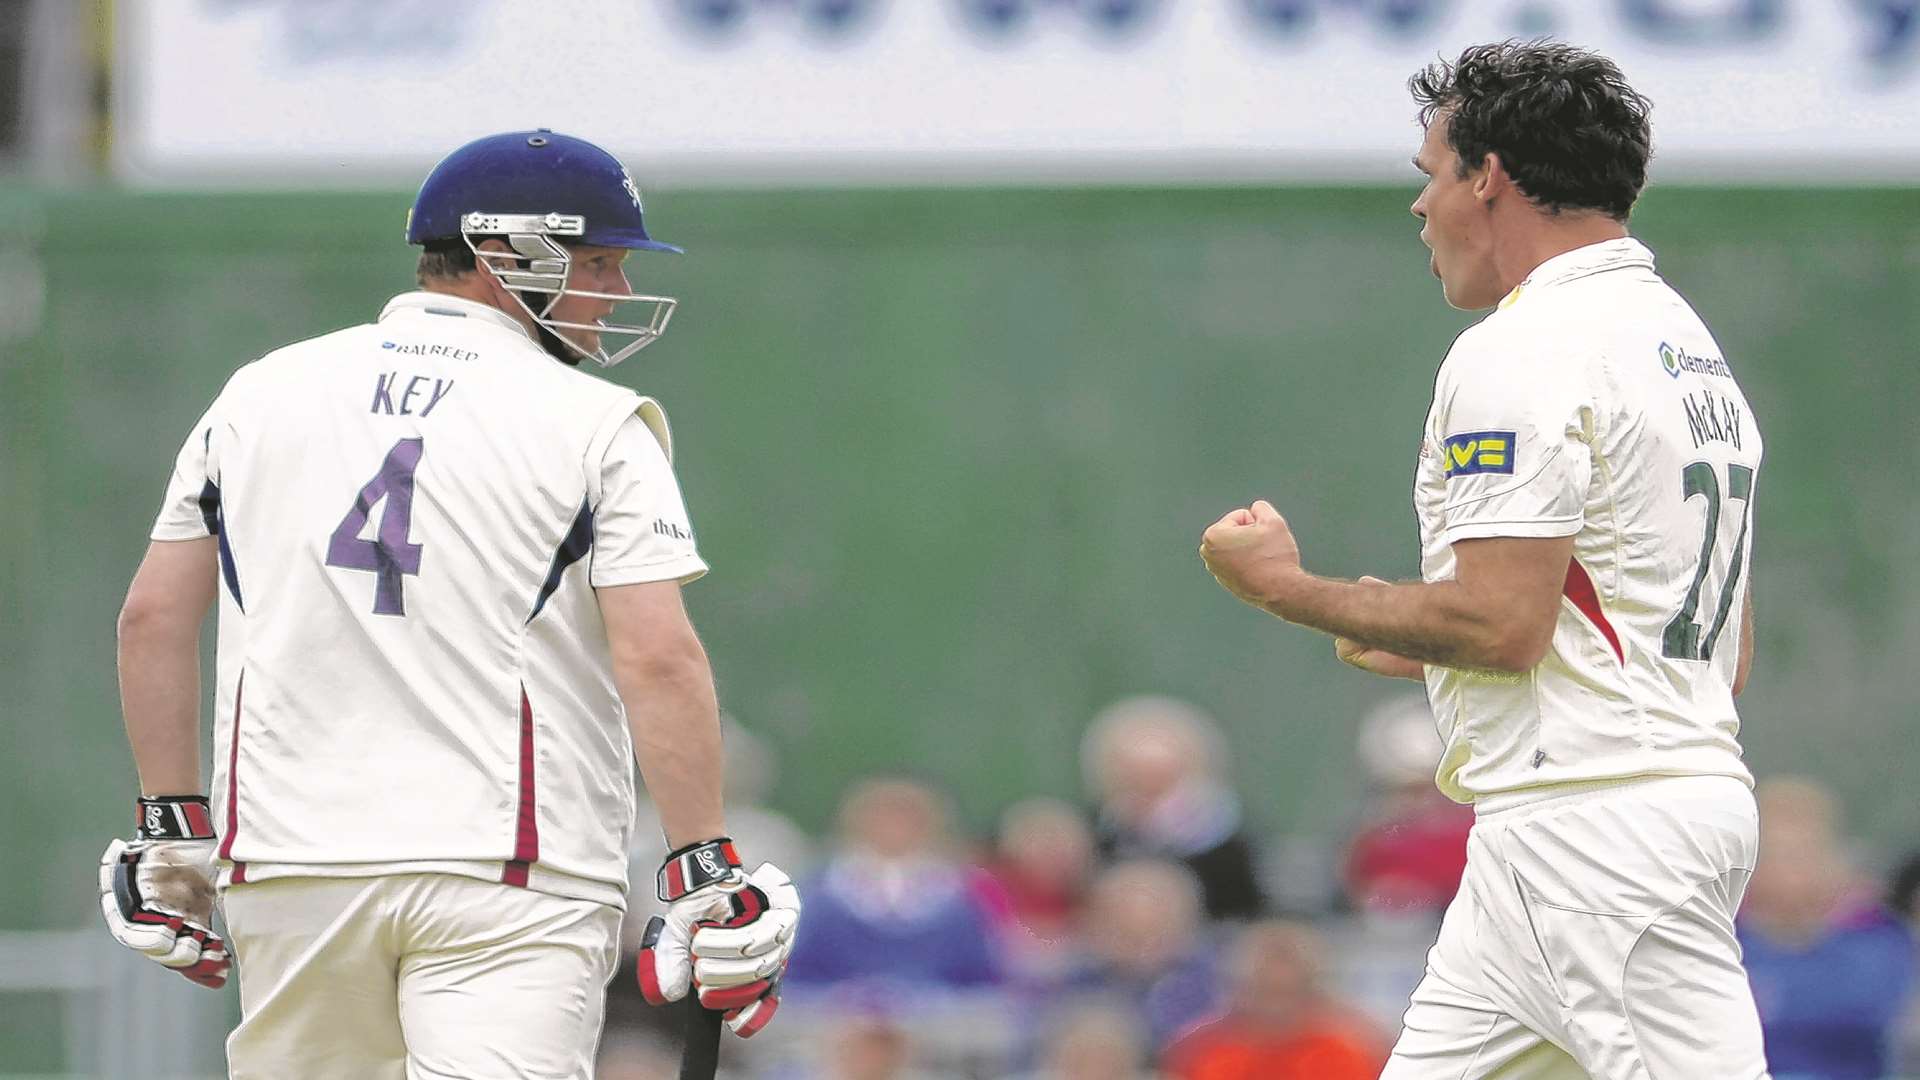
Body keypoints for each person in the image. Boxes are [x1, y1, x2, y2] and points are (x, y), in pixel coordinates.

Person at [96, 129, 801, 1078]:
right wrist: (702, 864)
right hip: (511, 868)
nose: (619, 291)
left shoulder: (255, 394)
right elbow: (659, 658)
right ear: (507, 252)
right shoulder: (594, 421)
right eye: (599, 261)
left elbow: (151, 619)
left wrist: (172, 823)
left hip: (292, 864)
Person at [1199, 41, 1770, 1078]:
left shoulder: (1528, 344)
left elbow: (1504, 626)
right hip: (1582, 821)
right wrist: (1424, 637)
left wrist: (1286, 590)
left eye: (1430, 175)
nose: (1421, 208)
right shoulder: (1681, 345)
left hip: (1596, 834)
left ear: (1490, 175)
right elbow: (1697, 648)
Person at [1738, 777, 1914, 1080]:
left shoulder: (1882, 941)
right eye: (1777, 854)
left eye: (1803, 852)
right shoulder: (1722, 945)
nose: (1791, 872)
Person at [1081, 696, 1266, 920]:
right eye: (1137, 774)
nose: (1147, 782)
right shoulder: (1100, 829)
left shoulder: (1223, 833)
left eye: (1157, 774)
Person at [1162, 920, 1387, 1080]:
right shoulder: (1196, 1051)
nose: (1277, 1007)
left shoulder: (1360, 1047)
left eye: (1290, 992)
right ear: (1237, 988)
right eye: (1265, 990)